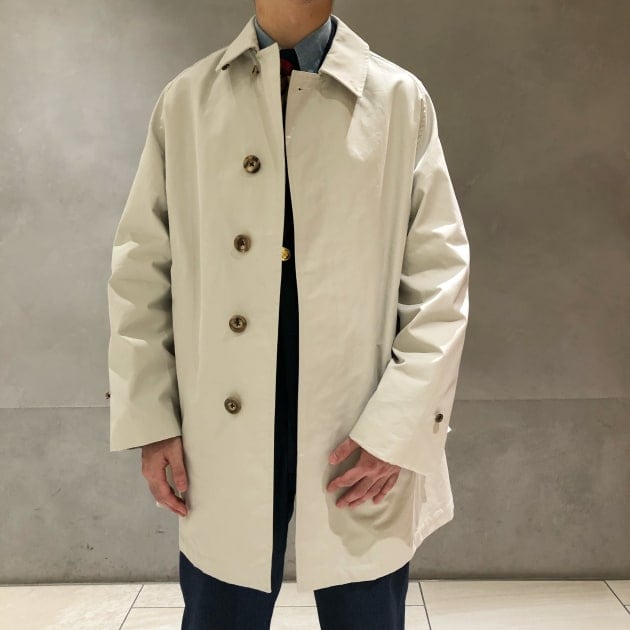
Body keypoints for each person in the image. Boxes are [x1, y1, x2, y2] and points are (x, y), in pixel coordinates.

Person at [106, 1, 470, 628]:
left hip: (358, 416)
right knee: (221, 610)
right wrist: (152, 419)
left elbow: (439, 278)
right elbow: (141, 273)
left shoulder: (397, 100)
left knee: (365, 611)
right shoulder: (187, 101)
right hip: (218, 424)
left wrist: (399, 426)